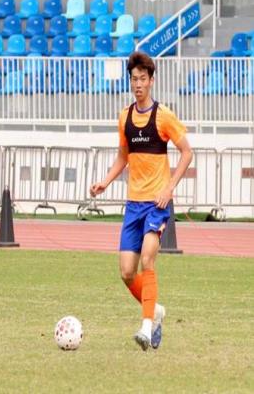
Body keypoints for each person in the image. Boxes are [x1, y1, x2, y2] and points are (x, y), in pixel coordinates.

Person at [90, 51, 193, 351]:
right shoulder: (124, 116)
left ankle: (146, 327)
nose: (138, 84)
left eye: (143, 79)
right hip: (133, 205)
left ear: (152, 81)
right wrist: (105, 181)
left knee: (148, 258)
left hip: (156, 204)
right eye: (134, 79)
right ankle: (155, 310)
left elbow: (187, 152)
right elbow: (123, 156)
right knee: (126, 272)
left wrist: (169, 188)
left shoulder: (164, 116)